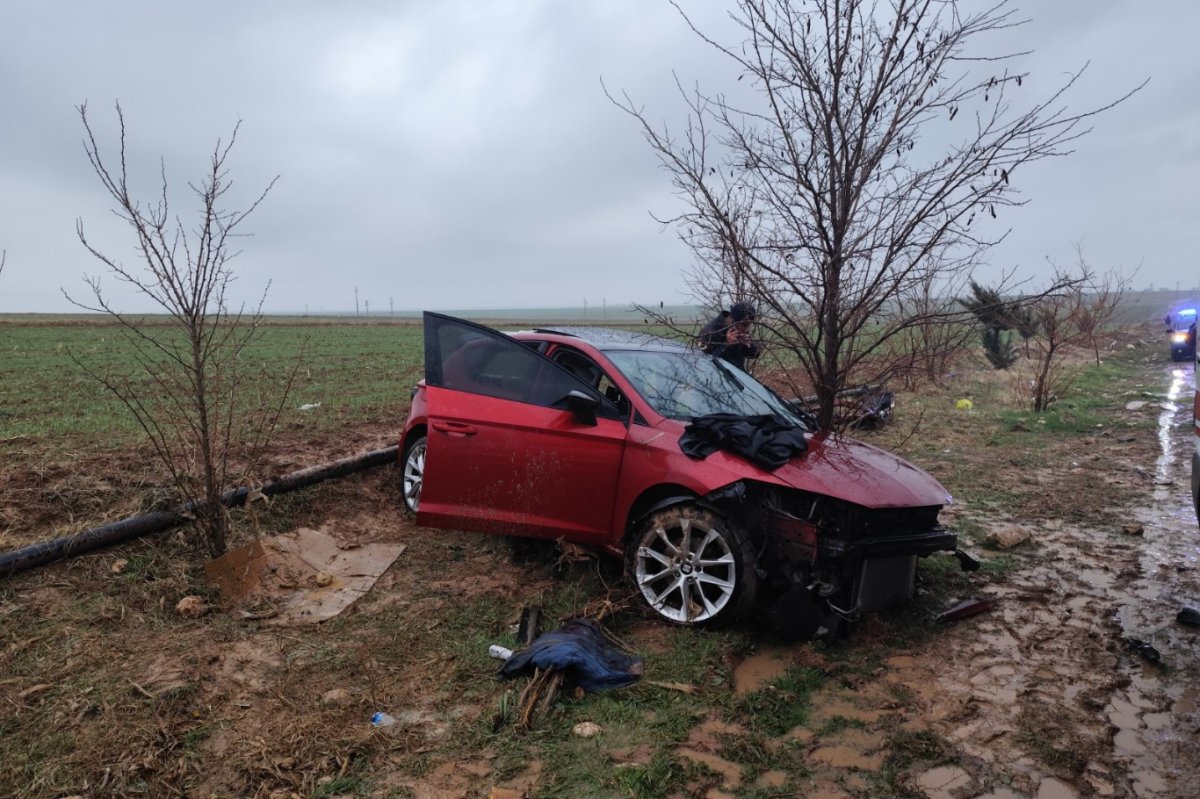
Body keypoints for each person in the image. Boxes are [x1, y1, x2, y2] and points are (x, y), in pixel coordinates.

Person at [700, 302, 759, 371]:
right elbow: (705, 361)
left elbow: (754, 354)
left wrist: (749, 345)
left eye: (749, 325)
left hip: (736, 374)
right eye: (745, 325)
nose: (747, 329)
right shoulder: (709, 332)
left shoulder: (740, 328)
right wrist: (727, 344)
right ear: (732, 321)